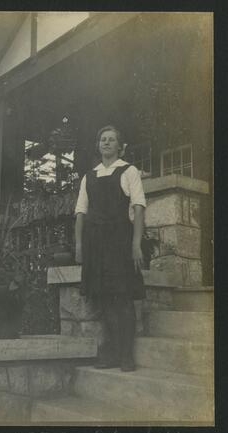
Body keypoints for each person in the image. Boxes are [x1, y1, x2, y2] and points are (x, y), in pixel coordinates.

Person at [75, 125, 146, 371]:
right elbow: (81, 213)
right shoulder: (89, 176)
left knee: (123, 298)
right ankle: (111, 355)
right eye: (102, 139)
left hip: (120, 242)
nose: (106, 143)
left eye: (111, 139)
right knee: (104, 299)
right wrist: (79, 245)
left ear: (119, 146)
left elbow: (138, 207)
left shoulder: (129, 171)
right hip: (95, 245)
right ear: (98, 145)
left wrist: (136, 244)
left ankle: (126, 356)